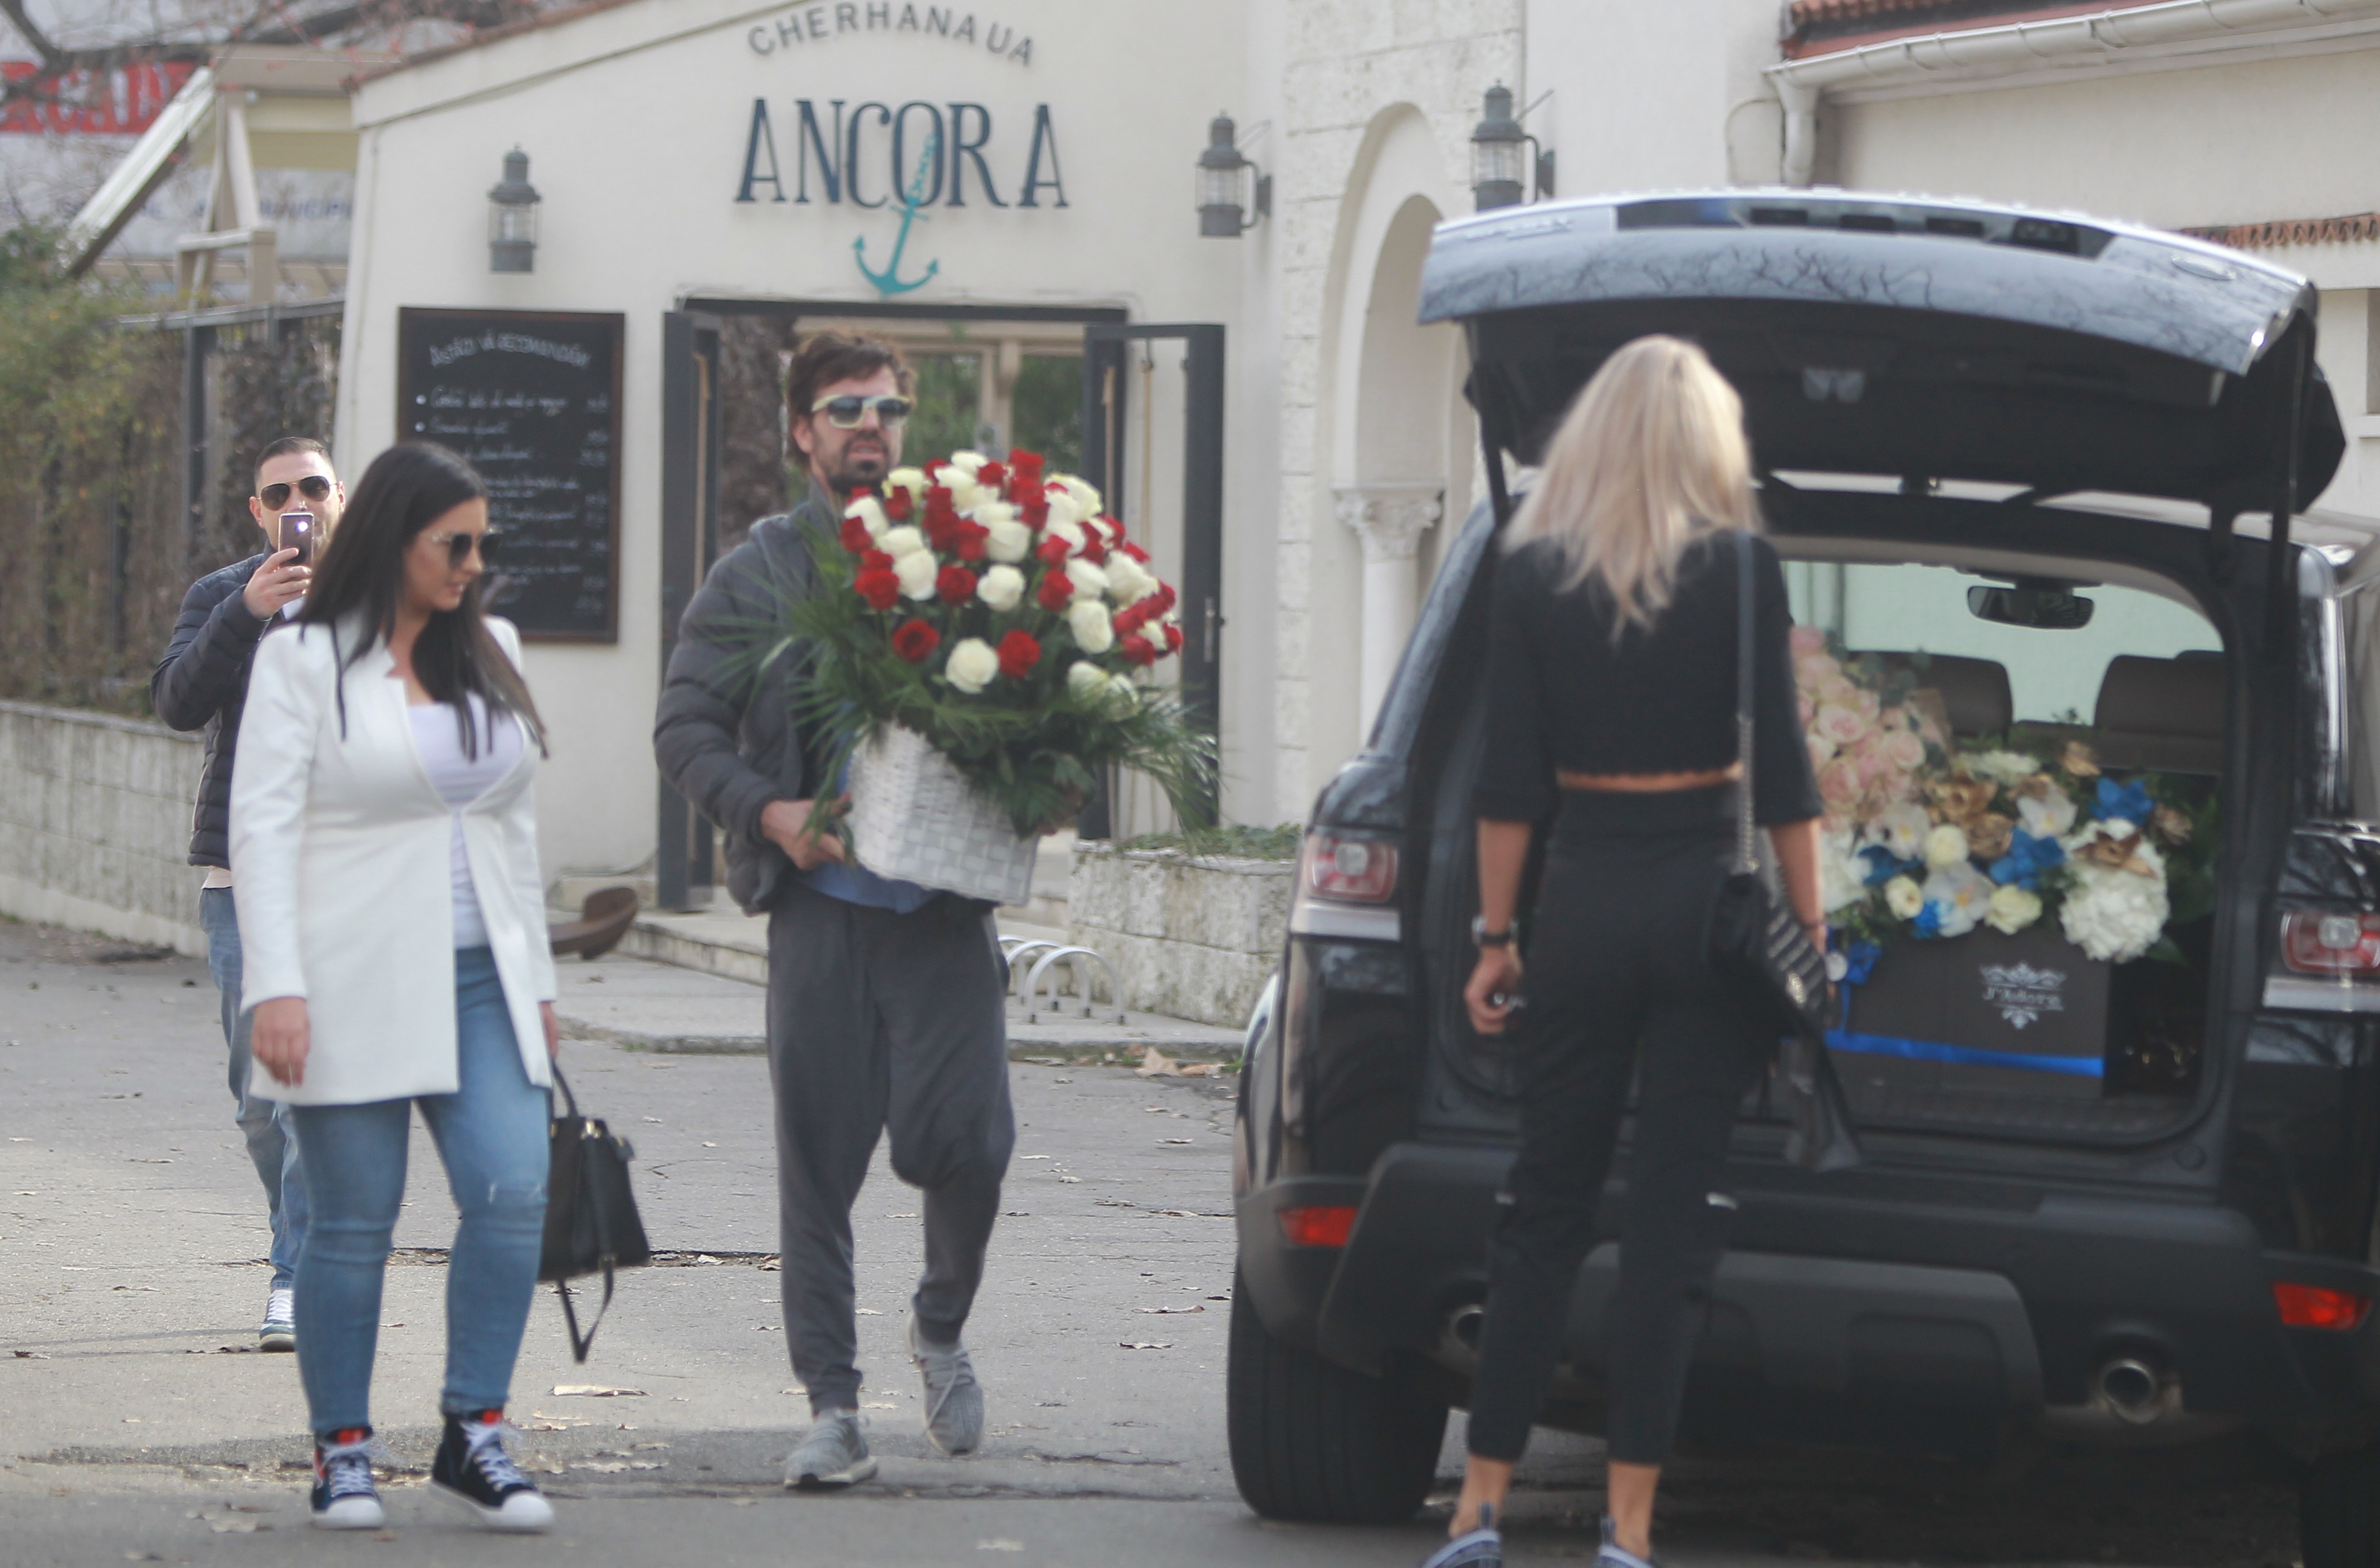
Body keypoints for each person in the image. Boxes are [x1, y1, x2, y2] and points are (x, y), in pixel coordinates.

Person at [1429, 337, 1826, 1568]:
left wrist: (1496, 938)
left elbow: (1508, 784)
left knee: (1543, 1206)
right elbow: (1783, 779)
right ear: (1709, 442)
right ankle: (1629, 1529)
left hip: (1583, 900)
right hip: (1704, 904)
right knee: (1668, 1222)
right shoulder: (1743, 568)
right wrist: (1809, 933)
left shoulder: (1532, 570)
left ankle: (1479, 1508)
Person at [655, 330, 1016, 1490]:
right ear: (802, 432)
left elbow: (1036, 700)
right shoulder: (758, 573)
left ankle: (940, 1322)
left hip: (942, 916)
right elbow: (684, 726)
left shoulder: (964, 559)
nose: (870, 425)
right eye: (845, 408)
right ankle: (834, 1409)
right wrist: (769, 813)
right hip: (819, 914)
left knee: (967, 1146)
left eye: (887, 408)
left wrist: (1045, 776)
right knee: (816, 1168)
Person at [231, 442, 560, 1534]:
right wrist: (276, 985)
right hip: (348, 977)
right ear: (395, 539)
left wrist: (536, 980)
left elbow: (512, 828)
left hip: (482, 978)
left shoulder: (495, 649)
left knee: (513, 1192)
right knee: (352, 1222)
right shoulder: (302, 657)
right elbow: (262, 828)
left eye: (482, 544)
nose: (474, 564)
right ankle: (342, 1452)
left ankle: (475, 1432)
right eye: (453, 544)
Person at [152, 435, 344, 1351]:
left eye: (313, 486)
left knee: (308, 1094)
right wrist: (245, 612)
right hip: (242, 882)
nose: (297, 504)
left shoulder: (384, 592)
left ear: (340, 495)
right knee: (259, 1103)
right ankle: (294, 1237)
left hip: (344, 884)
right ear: (258, 511)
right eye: (279, 494)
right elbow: (176, 703)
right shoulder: (223, 594)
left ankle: (296, 1277)